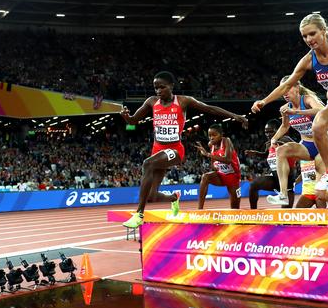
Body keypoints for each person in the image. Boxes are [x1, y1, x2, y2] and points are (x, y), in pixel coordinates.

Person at [252, 13, 328, 213]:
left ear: (323, 30)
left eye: (312, 34)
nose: (309, 39)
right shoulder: (308, 60)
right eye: (304, 36)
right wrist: (264, 100)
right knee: (317, 124)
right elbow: (287, 85)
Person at [121, 71, 248, 228]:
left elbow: (210, 108)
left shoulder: (183, 101)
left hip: (175, 151)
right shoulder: (151, 102)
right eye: (156, 88)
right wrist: (126, 116)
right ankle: (174, 198)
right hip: (158, 152)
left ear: (171, 86)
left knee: (147, 163)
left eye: (162, 87)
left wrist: (235, 116)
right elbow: (133, 120)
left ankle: (139, 214)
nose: (158, 91)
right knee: (152, 196)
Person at [264, 76, 328, 206]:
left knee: (319, 194)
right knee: (281, 151)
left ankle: (327, 215)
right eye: (282, 90)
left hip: (322, 147)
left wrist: (296, 111)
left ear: (297, 88)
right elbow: (285, 126)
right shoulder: (285, 108)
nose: (284, 93)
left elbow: (322, 110)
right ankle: (283, 195)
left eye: (288, 89)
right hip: (306, 145)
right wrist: (274, 138)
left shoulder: (308, 99)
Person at [244, 119, 296, 209]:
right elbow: (266, 155)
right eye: (266, 132)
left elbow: (296, 147)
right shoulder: (269, 144)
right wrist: (255, 153)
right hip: (275, 179)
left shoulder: (286, 139)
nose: (268, 134)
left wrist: (281, 144)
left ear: (278, 130)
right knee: (253, 185)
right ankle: (253, 212)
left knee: (286, 216)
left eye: (270, 131)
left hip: (287, 181)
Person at [194, 124, 241, 209]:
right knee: (205, 177)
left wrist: (207, 154)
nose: (211, 138)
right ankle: (199, 210)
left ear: (221, 135)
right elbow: (213, 165)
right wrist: (215, 166)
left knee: (235, 209)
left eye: (214, 135)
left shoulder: (226, 141)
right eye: (209, 135)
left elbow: (228, 159)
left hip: (233, 177)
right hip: (221, 176)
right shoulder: (211, 145)